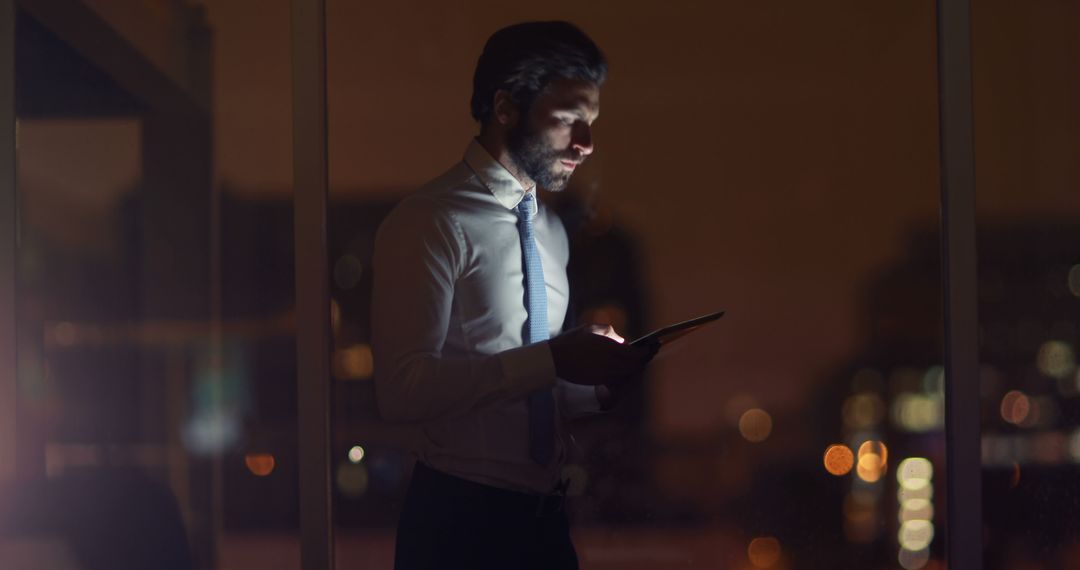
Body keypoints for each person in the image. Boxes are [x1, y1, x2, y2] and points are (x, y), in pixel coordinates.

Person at [372, 20, 655, 570]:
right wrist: (554, 358)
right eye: (569, 119)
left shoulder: (550, 232)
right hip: (457, 521)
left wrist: (598, 386)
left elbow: (531, 392)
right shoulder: (430, 222)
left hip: (545, 521)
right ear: (505, 108)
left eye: (591, 122)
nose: (587, 144)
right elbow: (401, 391)